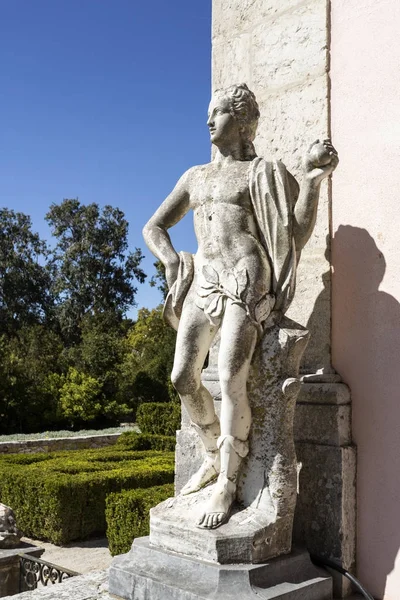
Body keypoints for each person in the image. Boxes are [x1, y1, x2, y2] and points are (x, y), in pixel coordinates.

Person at [143, 83, 338, 529]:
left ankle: (229, 481)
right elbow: (153, 226)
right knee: (181, 377)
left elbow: (295, 231)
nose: (208, 121)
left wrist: (310, 179)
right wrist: (172, 259)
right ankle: (214, 455)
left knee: (232, 377)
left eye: (217, 113)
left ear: (242, 120)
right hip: (204, 280)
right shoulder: (195, 176)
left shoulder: (263, 171)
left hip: (247, 279)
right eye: (208, 113)